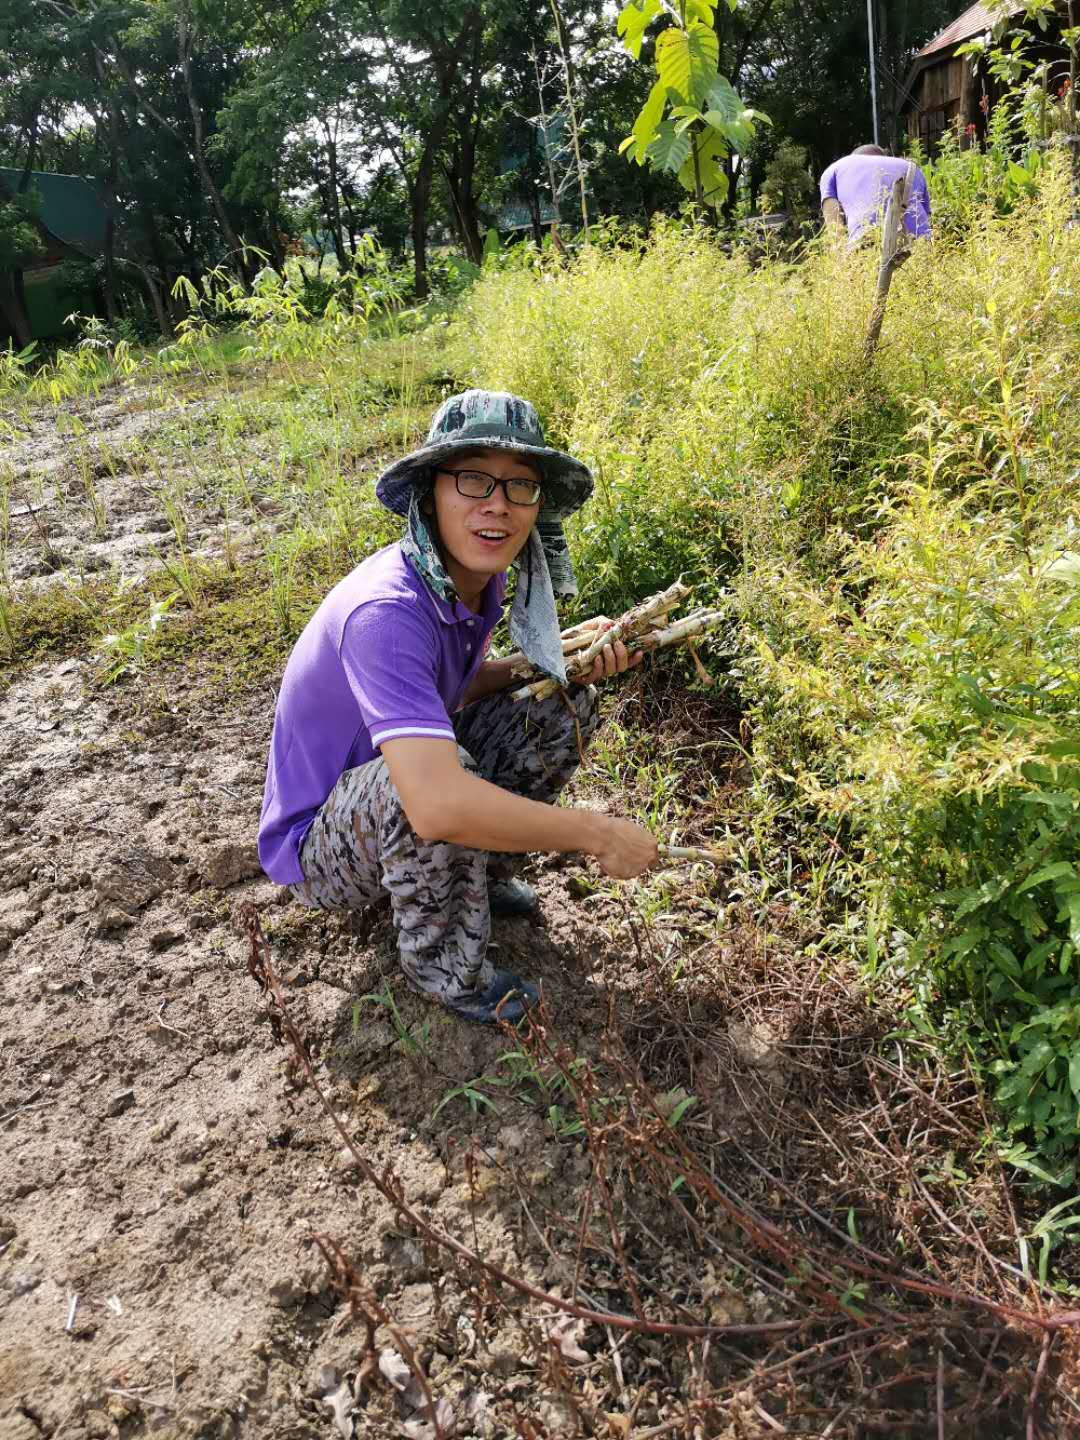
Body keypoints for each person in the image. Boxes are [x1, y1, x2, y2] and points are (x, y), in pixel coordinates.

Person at [257, 389, 659, 1025]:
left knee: (561, 702)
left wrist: (549, 664)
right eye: (473, 479)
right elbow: (435, 804)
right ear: (430, 494)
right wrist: (598, 834)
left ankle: (475, 878)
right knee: (426, 790)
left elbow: (447, 687)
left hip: (394, 789)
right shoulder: (386, 613)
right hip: (323, 846)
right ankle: (444, 967)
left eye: (520, 485)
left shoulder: (474, 579)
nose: (497, 504)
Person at [819, 144, 931, 248]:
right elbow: (928, 218)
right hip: (921, 245)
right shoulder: (912, 167)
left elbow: (836, 234)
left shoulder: (832, 171)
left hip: (867, 243)